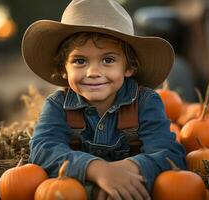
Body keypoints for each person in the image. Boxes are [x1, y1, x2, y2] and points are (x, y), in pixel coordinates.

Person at [22, 0, 186, 199]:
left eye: (108, 60)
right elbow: (42, 150)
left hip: (132, 187)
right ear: (62, 69)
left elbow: (169, 153)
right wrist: (98, 170)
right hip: (79, 190)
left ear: (129, 67)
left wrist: (125, 170)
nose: (93, 72)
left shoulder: (145, 102)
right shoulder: (57, 105)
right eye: (80, 61)